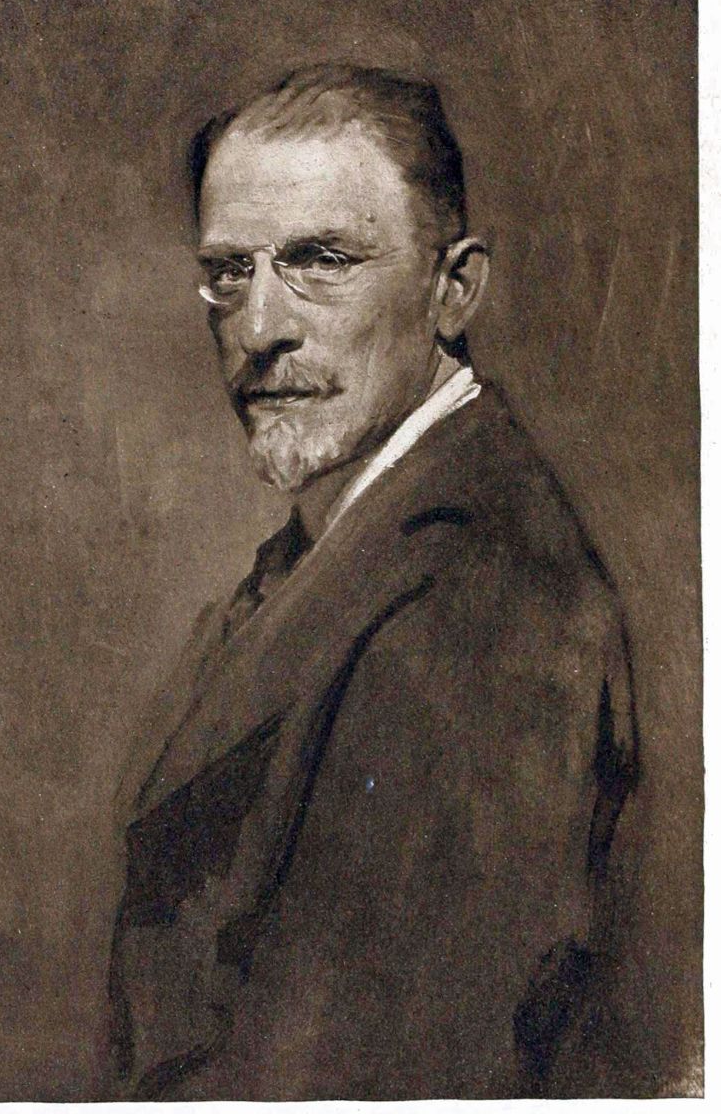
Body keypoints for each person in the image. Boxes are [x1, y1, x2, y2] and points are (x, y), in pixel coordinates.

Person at [107, 64, 640, 1100]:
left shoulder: (488, 599)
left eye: (320, 261)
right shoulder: (340, 547)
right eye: (228, 272)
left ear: (455, 288)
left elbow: (371, 1079)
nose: (257, 327)